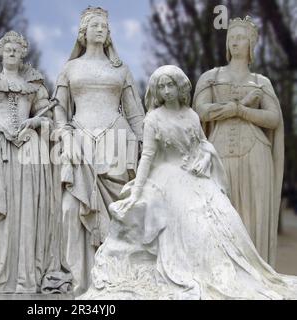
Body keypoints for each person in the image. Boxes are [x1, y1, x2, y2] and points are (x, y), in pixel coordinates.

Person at [81, 65, 297, 300]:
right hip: (167, 177)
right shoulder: (153, 119)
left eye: (170, 85)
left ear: (179, 86)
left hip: (195, 176)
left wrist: (205, 157)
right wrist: (137, 190)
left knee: (224, 217)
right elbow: (148, 157)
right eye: (161, 87)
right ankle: (187, 272)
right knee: (187, 220)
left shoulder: (192, 115)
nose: (166, 91)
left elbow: (203, 144)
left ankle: (222, 273)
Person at [0, 31, 71, 295]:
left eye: (17, 49)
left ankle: (24, 275)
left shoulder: (35, 85)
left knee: (27, 213)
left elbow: (50, 120)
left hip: (30, 153)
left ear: (23, 54)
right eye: (8, 48)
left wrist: (37, 121)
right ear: (0, 51)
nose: (12, 52)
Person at [53, 6, 145, 295]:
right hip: (79, 143)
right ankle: (79, 282)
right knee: (71, 209)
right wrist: (65, 136)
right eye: (94, 24)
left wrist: (146, 144)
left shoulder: (121, 69)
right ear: (83, 31)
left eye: (104, 25)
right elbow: (59, 110)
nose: (100, 28)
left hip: (119, 145)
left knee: (120, 213)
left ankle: (115, 282)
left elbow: (135, 114)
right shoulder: (70, 68)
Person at [193, 17, 284, 265]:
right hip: (218, 153)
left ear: (251, 43)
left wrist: (242, 112)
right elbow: (200, 111)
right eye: (231, 36)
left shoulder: (261, 82)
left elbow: (273, 118)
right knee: (218, 216)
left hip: (256, 155)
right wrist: (236, 107)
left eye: (241, 37)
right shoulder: (211, 77)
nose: (234, 41)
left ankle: (256, 275)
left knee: (253, 218)